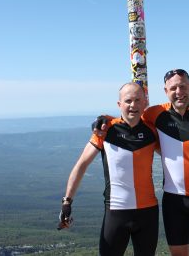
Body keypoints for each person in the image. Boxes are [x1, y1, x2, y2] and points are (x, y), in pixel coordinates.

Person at [94, 69, 189, 256]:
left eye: (183, 86)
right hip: (173, 201)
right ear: (166, 91)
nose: (179, 91)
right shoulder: (155, 113)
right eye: (173, 88)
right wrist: (104, 120)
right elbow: (130, 117)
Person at [58, 82, 159, 256]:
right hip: (116, 212)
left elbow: (177, 155)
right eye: (128, 101)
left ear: (145, 103)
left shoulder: (152, 131)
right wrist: (67, 202)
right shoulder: (105, 131)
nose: (133, 105)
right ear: (119, 104)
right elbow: (81, 165)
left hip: (148, 213)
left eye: (137, 100)